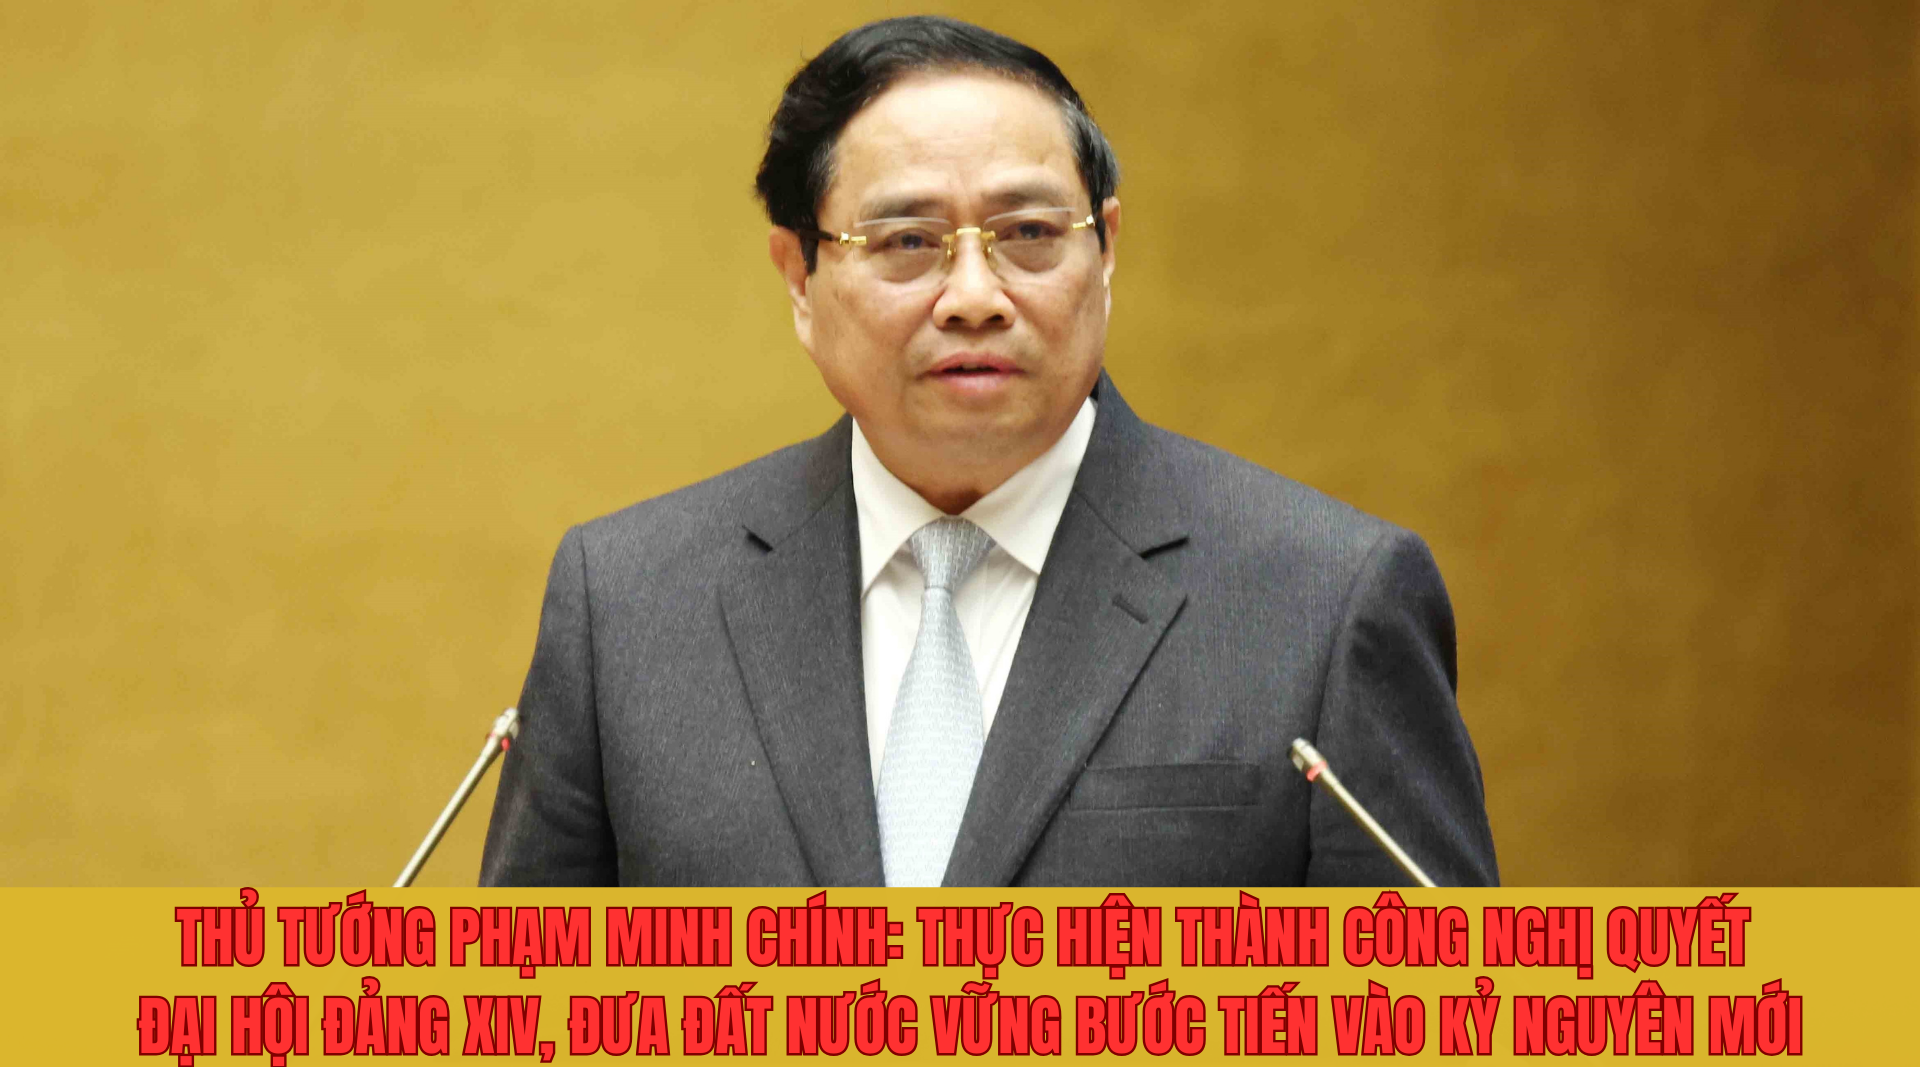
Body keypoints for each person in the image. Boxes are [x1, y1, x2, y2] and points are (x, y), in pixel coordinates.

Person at [480, 15, 1498, 887]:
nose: (975, 296)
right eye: (907, 243)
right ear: (799, 277)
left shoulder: (1325, 602)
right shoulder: (630, 607)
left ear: (1106, 252)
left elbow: (1434, 1021)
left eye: (1029, 234)